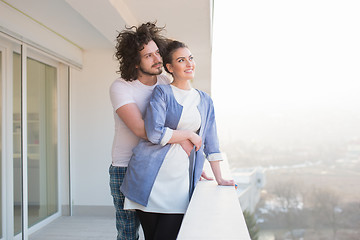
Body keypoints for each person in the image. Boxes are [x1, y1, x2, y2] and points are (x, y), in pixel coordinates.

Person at [121, 40, 235, 240]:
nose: (189, 63)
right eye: (181, 60)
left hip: (180, 185)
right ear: (170, 68)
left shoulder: (205, 100)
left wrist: (219, 178)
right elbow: (154, 133)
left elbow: (211, 142)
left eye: (190, 58)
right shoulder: (162, 93)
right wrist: (189, 135)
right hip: (149, 180)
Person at [109, 22, 211, 240]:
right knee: (128, 234)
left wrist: (192, 161)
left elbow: (182, 121)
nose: (157, 59)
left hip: (161, 166)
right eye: (148, 56)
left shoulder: (165, 82)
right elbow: (143, 130)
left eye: (157, 53)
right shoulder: (121, 87)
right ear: (135, 62)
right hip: (125, 166)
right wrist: (185, 138)